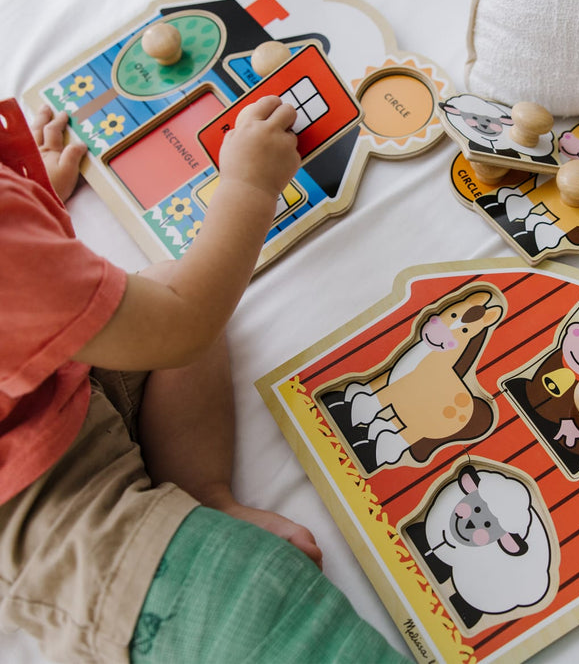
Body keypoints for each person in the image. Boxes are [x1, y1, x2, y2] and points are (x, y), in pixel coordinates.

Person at [0, 98, 410, 664]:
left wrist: (30, 204)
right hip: (45, 518)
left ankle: (204, 494)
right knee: (257, 596)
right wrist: (249, 185)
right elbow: (187, 321)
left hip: (48, 398)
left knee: (171, 289)